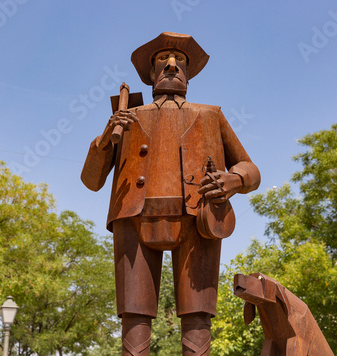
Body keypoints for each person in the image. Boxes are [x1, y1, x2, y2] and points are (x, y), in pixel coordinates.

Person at [81, 32, 260, 356]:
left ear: (189, 74)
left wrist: (232, 180)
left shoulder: (210, 114)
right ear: (151, 73)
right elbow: (92, 180)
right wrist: (105, 138)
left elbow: (250, 168)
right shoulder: (128, 117)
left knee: (198, 319)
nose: (173, 66)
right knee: (134, 321)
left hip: (198, 220)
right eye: (164, 60)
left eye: (181, 62)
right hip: (133, 218)